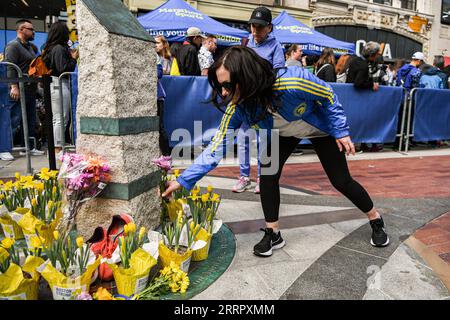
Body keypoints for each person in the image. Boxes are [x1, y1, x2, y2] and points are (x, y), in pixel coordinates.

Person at [162, 46, 390, 257]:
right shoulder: (237, 107)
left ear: (248, 76)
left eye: (228, 86)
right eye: (220, 86)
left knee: (341, 181)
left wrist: (340, 130)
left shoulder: (292, 82)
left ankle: (375, 218)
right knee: (268, 175)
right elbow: (215, 147)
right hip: (282, 134)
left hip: (320, 130)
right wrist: (184, 180)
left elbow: (328, 95)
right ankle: (273, 233)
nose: (223, 93)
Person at [232, 6, 286, 194]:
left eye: (260, 27)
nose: (255, 30)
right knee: (243, 138)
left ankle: (262, 178)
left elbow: (279, 74)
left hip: (264, 102)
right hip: (247, 101)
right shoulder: (247, 43)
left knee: (264, 141)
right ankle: (244, 176)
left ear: (269, 27)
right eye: (253, 26)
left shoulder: (276, 46)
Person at [2, 19, 44, 161]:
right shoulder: (13, 46)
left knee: (30, 120)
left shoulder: (30, 47)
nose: (33, 32)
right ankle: (5, 148)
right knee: (14, 119)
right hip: (18, 89)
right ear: (21, 30)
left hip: (30, 89)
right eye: (31, 29)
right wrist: (13, 86)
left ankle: (28, 147)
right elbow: (9, 67)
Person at [42, 21, 78, 154]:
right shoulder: (58, 48)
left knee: (60, 117)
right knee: (60, 117)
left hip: (57, 83)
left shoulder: (53, 48)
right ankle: (57, 147)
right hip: (59, 83)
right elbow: (62, 68)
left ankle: (58, 146)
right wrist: (73, 58)